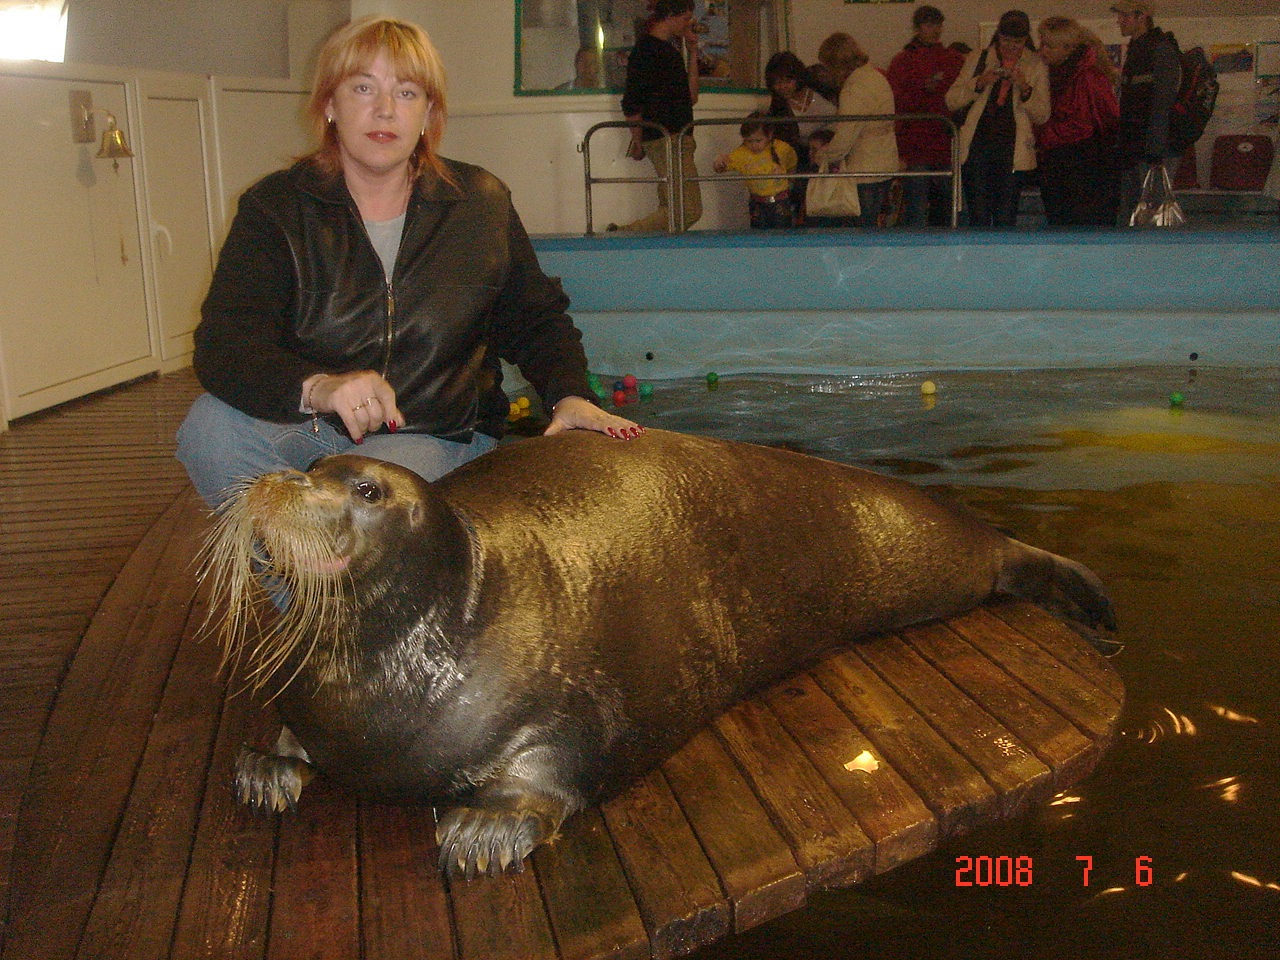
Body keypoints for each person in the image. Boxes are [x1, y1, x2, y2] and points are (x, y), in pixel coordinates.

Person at [176, 16, 642, 511]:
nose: (384, 110)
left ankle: (312, 557)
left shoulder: (479, 202)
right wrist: (318, 387)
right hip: (309, 425)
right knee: (209, 429)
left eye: (406, 93)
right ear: (329, 104)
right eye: (363, 88)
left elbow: (535, 318)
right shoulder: (275, 208)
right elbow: (225, 342)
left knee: (364, 498)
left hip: (433, 434)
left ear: (428, 113)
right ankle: (295, 561)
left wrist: (570, 395)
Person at [944, 9, 1049, 227]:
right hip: (977, 149)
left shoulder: (1035, 65)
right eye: (1006, 40)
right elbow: (951, 100)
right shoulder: (978, 58)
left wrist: (1024, 88)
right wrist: (979, 83)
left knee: (1006, 217)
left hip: (1012, 151)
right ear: (998, 36)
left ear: (1026, 40)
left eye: (1017, 42)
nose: (1011, 47)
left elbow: (1042, 115)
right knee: (978, 216)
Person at [612, 0, 702, 232]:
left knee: (672, 206)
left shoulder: (665, 51)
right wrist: (638, 139)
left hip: (673, 136)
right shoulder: (647, 51)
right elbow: (632, 103)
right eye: (685, 19)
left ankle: (633, 236)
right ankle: (627, 233)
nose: (687, 25)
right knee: (688, 209)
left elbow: (691, 96)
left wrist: (692, 52)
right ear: (670, 15)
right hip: (667, 137)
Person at [1035, 17, 1121, 226]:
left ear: (1068, 48)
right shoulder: (1055, 73)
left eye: (1049, 46)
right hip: (1060, 160)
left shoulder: (1087, 76)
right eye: (1042, 44)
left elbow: (1090, 123)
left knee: (1078, 223)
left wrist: (1043, 134)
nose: (1043, 50)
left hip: (1085, 164)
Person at [810, 32, 900, 229]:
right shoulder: (876, 77)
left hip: (864, 168)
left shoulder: (854, 88)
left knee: (859, 229)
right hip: (885, 163)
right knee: (873, 226)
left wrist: (822, 156)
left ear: (835, 64)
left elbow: (845, 136)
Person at [886, 5, 965, 227]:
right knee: (918, 204)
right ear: (918, 28)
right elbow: (897, 102)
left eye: (938, 25)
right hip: (917, 144)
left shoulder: (953, 59)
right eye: (929, 25)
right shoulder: (903, 61)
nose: (935, 30)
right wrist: (923, 90)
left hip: (943, 142)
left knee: (948, 204)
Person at [1111, 0, 1182, 223]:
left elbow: (1162, 103)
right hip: (1137, 146)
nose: (1119, 21)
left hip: (1152, 148)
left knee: (1152, 213)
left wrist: (1156, 150)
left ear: (1141, 16)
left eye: (1125, 16)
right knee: (1136, 211)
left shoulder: (1160, 49)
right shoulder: (1139, 48)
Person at [762, 51, 837, 218]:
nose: (782, 87)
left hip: (835, 159)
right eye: (777, 83)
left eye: (787, 80)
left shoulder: (821, 87)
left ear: (798, 77)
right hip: (805, 165)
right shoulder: (777, 109)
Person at [713, 113, 799, 229]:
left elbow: (792, 164)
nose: (754, 145)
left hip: (781, 201)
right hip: (757, 203)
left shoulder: (782, 148)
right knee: (758, 233)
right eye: (749, 141)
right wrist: (719, 163)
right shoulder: (741, 153)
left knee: (782, 233)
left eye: (758, 141)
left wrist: (790, 182)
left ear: (769, 135)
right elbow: (721, 168)